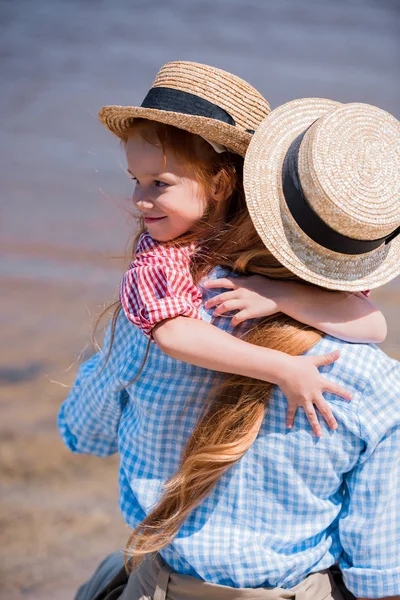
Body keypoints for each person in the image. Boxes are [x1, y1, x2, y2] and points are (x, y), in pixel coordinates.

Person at [58, 72, 400, 600]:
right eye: (137, 180)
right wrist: (283, 328)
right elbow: (380, 573)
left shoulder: (153, 314)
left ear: (225, 183)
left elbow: (84, 433)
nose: (139, 200)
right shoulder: (375, 381)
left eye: (158, 183)